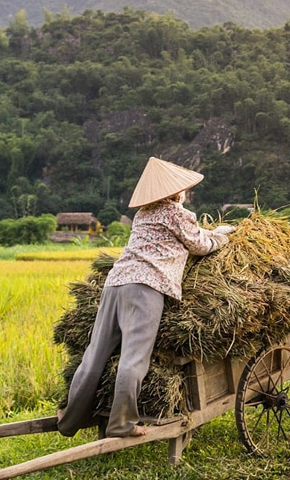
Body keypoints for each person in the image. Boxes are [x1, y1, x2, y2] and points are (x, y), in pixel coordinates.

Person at [57, 157, 232, 437]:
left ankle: (69, 418)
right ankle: (121, 423)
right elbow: (199, 245)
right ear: (175, 192)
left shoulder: (143, 214)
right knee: (134, 359)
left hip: (115, 284)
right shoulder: (177, 213)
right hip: (146, 287)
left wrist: (211, 233)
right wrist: (222, 236)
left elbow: (186, 236)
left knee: (94, 354)